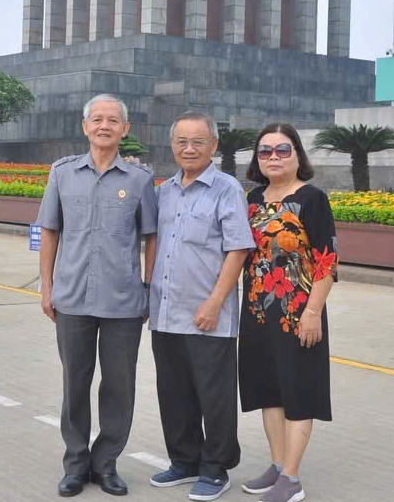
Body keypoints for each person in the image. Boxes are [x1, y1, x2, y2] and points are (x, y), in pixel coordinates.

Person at [35, 94, 158, 498]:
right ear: (85, 126)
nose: (105, 126)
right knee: (75, 383)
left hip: (123, 302)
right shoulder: (62, 173)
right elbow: (49, 230)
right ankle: (75, 464)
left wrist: (148, 287)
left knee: (119, 386)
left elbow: (151, 236)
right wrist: (47, 286)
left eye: (113, 120)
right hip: (72, 298)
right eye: (98, 119)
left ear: (125, 129)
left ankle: (106, 464)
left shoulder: (140, 179)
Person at [148, 112, 255, 501]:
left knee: (215, 396)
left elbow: (238, 249)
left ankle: (215, 468)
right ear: (172, 145)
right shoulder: (164, 191)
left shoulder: (227, 189)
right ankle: (184, 460)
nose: (189, 149)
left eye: (198, 142)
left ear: (213, 146)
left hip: (208, 315)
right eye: (182, 141)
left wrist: (215, 302)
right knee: (173, 391)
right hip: (165, 311)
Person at [238, 123, 338, 502]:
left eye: (283, 150)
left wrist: (313, 311)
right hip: (257, 312)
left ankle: (292, 478)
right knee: (269, 391)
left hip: (298, 313)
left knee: (299, 391)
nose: (274, 157)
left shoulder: (312, 199)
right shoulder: (252, 199)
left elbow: (327, 262)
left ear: (298, 155)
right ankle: (278, 466)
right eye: (265, 151)